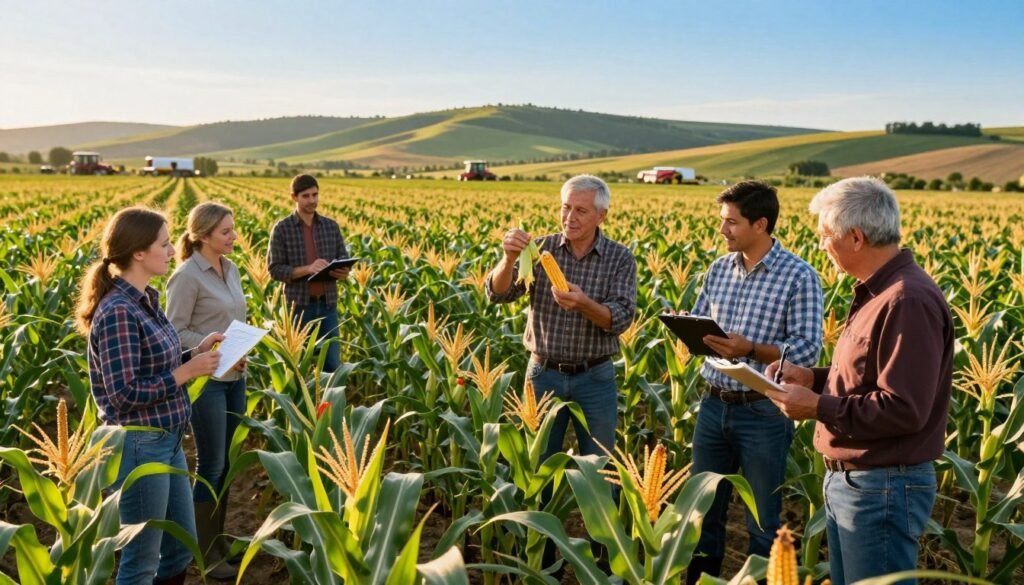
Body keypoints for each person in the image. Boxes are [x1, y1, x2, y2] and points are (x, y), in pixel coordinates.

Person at [765, 177, 953, 585]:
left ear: (854, 237)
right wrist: (812, 379)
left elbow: (904, 409)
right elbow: (867, 378)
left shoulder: (907, 300)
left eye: (824, 236)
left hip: (880, 487)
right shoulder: (878, 293)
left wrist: (816, 406)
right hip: (859, 484)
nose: (821, 246)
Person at [684, 180, 824, 584]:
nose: (722, 230)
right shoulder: (718, 269)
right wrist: (691, 331)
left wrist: (749, 349)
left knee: (763, 520)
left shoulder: (799, 276)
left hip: (763, 411)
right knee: (702, 514)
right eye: (722, 221)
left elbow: (805, 351)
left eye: (731, 222)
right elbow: (700, 318)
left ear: (760, 224)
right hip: (712, 405)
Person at [76, 207, 222, 585]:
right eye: (165, 243)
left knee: (177, 549)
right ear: (139, 252)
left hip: (168, 440)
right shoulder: (118, 312)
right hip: (139, 446)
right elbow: (122, 395)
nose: (173, 251)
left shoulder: (146, 299)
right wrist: (186, 372)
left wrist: (195, 352)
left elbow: (157, 363)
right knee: (141, 561)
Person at [488, 174, 637, 464]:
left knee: (600, 466)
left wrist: (584, 304)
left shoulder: (620, 258)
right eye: (565, 207)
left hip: (595, 377)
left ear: (601, 215)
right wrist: (508, 259)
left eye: (580, 210)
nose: (569, 217)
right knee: (537, 463)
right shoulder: (540, 250)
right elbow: (498, 294)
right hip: (543, 373)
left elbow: (620, 318)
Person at [166, 202, 247, 580]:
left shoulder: (229, 269)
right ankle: (203, 552)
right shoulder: (186, 277)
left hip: (235, 377)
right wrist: (216, 350)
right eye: (226, 232)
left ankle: (217, 539)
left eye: (233, 229)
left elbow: (234, 321)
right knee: (211, 464)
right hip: (205, 384)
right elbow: (175, 332)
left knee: (228, 465)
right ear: (202, 235)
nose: (234, 237)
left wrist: (240, 351)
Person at [267, 174, 350, 372]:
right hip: (299, 308)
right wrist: (307, 269)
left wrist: (343, 272)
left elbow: (343, 259)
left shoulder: (330, 227)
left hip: (328, 305)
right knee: (297, 367)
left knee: (332, 366)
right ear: (294, 197)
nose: (312, 200)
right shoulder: (282, 229)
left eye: (315, 195)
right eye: (306, 196)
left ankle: (329, 402)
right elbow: (274, 269)